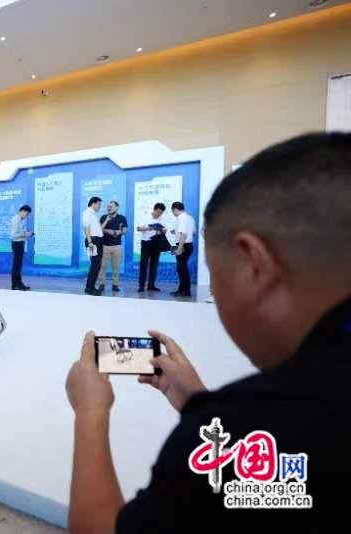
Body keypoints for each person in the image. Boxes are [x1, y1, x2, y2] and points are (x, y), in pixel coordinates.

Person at [64, 132, 351, 533]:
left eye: (216, 274)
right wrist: (197, 402)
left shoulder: (251, 429)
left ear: (254, 264)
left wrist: (90, 412)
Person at [97, 200, 128, 292]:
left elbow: (125, 231)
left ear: (117, 207)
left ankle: (115, 285)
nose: (109, 208)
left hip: (117, 246)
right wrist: (108, 231)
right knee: (102, 267)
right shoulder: (103, 217)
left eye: (111, 206)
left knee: (116, 267)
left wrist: (119, 232)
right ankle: (101, 284)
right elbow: (99, 229)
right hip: (104, 246)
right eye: (108, 207)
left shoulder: (122, 218)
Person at [136, 202, 167, 292]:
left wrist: (163, 231)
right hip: (146, 243)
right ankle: (141, 286)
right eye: (158, 212)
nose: (159, 214)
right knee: (143, 264)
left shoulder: (161, 220)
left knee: (154, 265)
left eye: (161, 213)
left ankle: (151, 285)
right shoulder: (145, 217)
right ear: (154, 209)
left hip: (156, 243)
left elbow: (164, 230)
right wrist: (149, 228)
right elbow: (138, 228)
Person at [170, 201, 196, 297]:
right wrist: (176, 231)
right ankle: (181, 289)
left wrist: (180, 248)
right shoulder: (190, 218)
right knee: (181, 268)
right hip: (187, 244)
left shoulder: (181, 218)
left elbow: (184, 234)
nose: (173, 213)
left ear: (175, 209)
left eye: (172, 211)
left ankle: (185, 291)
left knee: (182, 269)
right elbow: (193, 232)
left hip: (182, 245)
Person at [82, 196, 104, 296]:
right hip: (93, 241)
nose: (99, 207)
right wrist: (90, 242)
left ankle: (91, 287)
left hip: (97, 241)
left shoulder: (93, 214)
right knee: (95, 265)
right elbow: (86, 227)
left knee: (96, 265)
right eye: (99, 204)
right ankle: (89, 288)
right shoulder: (87, 212)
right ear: (93, 203)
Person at [10, 205, 33, 291]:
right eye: (26, 214)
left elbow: (18, 233)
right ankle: (16, 284)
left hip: (19, 244)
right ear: (23, 211)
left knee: (18, 265)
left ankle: (17, 284)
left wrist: (25, 234)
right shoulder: (16, 220)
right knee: (17, 265)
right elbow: (14, 235)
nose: (26, 216)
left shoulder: (18, 220)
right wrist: (26, 234)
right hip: (17, 244)